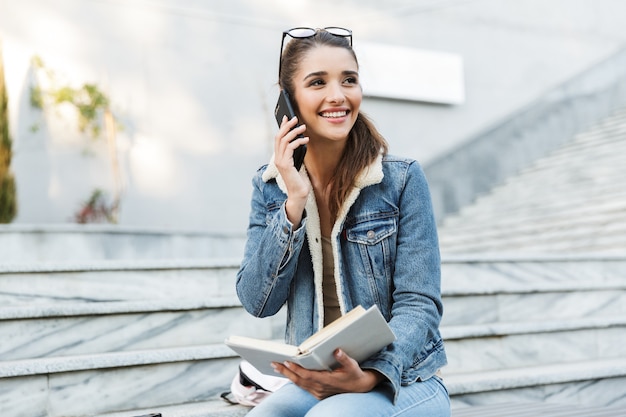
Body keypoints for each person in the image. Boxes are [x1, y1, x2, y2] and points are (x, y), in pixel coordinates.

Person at [235, 26, 450, 417]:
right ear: (289, 101)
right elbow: (257, 302)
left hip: (403, 380)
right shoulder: (270, 187)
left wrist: (371, 376)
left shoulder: (400, 180)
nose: (338, 95)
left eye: (348, 80)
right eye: (317, 82)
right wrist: (293, 202)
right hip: (317, 379)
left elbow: (419, 305)